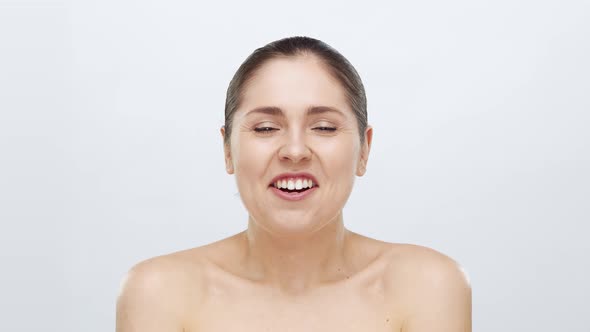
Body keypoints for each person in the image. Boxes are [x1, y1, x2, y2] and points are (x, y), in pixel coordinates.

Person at [116, 36, 472, 331]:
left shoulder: (428, 286)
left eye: (324, 127)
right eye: (266, 128)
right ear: (227, 150)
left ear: (364, 150)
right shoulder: (159, 292)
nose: (295, 150)